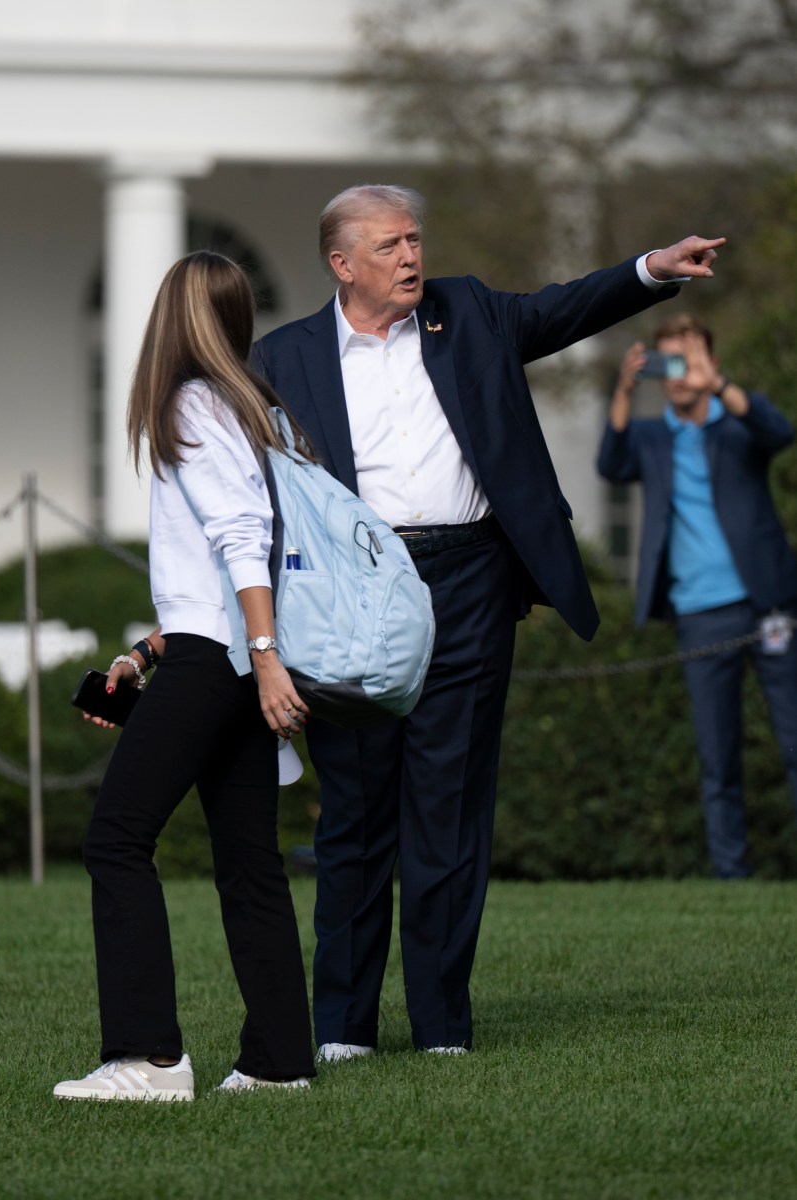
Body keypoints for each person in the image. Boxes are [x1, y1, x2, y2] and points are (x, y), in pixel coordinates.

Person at [252, 183, 725, 1059]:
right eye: (390, 245)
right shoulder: (281, 357)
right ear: (341, 263)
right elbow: (247, 498)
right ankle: (343, 1029)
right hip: (355, 597)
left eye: (414, 240)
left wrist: (652, 271)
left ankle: (441, 1028)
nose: (410, 258)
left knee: (450, 808)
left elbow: (563, 309)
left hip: (469, 582)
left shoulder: (466, 311)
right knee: (355, 812)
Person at [53, 251, 316, 1101]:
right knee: (249, 862)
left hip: (227, 660)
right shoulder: (255, 411)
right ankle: (279, 1064)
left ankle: (147, 1058)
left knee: (116, 839)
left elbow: (243, 540)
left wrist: (267, 659)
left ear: (171, 317)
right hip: (222, 652)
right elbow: (215, 571)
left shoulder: (191, 406)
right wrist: (142, 655)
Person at [597, 313, 797, 879]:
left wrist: (719, 386)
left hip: (770, 606)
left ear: (709, 360)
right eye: (670, 362)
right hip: (699, 614)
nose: (681, 375)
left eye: (690, 360)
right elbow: (610, 464)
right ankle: (733, 877)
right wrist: (623, 391)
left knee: (795, 740)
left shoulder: (738, 421)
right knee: (717, 755)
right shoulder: (651, 436)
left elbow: (779, 432)